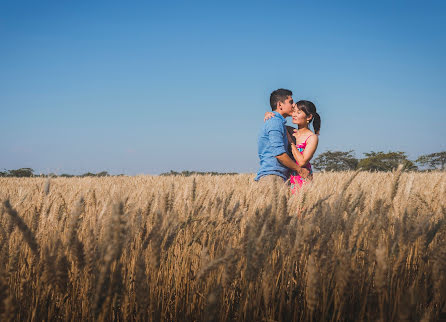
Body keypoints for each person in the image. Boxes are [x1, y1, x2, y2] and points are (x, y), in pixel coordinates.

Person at [255, 89, 309, 185]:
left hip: (279, 177)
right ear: (280, 105)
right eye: (291, 102)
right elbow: (279, 153)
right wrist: (299, 170)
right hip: (272, 178)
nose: (294, 105)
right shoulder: (274, 122)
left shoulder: (278, 123)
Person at [264, 100, 321, 192]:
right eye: (294, 111)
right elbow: (276, 124)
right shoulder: (290, 130)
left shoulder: (312, 137)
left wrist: (291, 143)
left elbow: (302, 162)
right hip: (288, 176)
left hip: (302, 176)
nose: (294, 115)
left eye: (298, 112)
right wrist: (269, 115)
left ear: (309, 117)